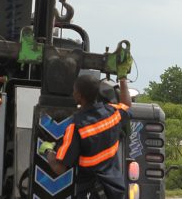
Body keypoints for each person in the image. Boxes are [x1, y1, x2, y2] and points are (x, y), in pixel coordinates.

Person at [39, 56, 133, 199]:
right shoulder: (112, 114)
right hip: (114, 192)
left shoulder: (76, 127)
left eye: (74, 90)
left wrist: (48, 152)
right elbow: (126, 105)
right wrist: (123, 77)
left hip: (92, 194)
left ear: (79, 96)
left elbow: (60, 168)